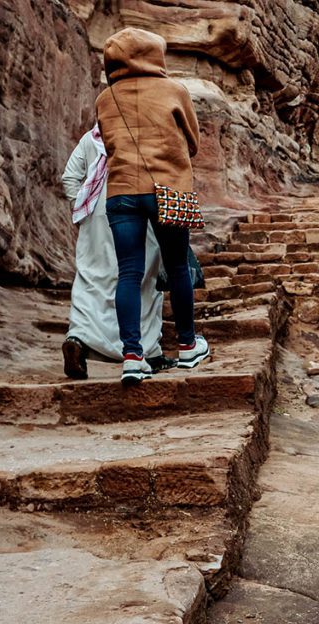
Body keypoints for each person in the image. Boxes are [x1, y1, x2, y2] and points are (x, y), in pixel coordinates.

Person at [95, 27, 209, 386]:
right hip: (168, 189)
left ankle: (133, 356)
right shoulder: (174, 90)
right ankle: (189, 346)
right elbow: (193, 142)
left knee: (128, 272)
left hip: (122, 191)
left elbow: (108, 142)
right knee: (177, 265)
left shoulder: (105, 98)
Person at [60, 124, 173, 379]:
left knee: (90, 277)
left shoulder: (93, 138)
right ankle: (149, 352)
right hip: (135, 212)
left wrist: (82, 209)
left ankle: (77, 337)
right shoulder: (144, 133)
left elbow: (69, 177)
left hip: (96, 215)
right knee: (142, 280)